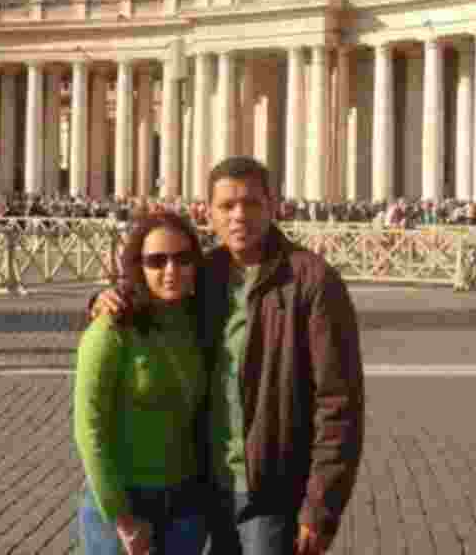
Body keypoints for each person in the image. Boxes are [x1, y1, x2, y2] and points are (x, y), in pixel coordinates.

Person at [91, 156, 364, 555]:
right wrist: (104, 299)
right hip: (205, 486)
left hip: (272, 491)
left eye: (251, 203)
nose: (239, 215)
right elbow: (154, 300)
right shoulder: (205, 273)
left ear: (273, 206)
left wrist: (322, 505)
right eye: (227, 205)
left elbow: (338, 403)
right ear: (209, 212)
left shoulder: (314, 281)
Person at [76, 212, 208, 554]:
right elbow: (89, 428)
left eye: (182, 258)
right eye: (156, 261)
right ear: (138, 266)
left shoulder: (201, 322)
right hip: (124, 500)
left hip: (186, 500)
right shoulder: (110, 329)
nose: (171, 270)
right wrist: (121, 517)